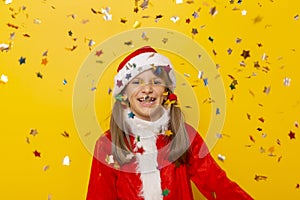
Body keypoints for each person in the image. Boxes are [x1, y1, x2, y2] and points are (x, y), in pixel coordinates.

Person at [86, 46, 253, 200]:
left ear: (166, 93)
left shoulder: (185, 136)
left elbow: (218, 184)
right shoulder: (107, 145)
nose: (147, 89)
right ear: (124, 94)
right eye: (137, 82)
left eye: (156, 82)